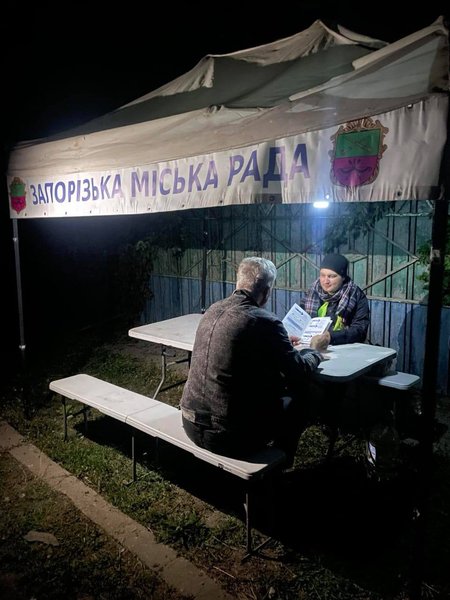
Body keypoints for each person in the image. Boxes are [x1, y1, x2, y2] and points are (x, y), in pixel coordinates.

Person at [180, 256, 328, 466]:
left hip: (190, 422)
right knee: (304, 394)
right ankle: (279, 463)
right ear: (267, 291)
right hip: (226, 435)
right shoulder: (265, 321)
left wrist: (280, 343)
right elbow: (299, 370)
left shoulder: (213, 310)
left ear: (238, 282)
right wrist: (315, 351)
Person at [301, 253, 370, 346]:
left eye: (332, 276)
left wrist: (331, 337)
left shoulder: (355, 295)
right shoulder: (312, 293)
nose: (326, 281)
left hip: (344, 348)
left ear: (343, 277)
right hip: (309, 345)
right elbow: (301, 319)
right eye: (322, 275)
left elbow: (360, 330)